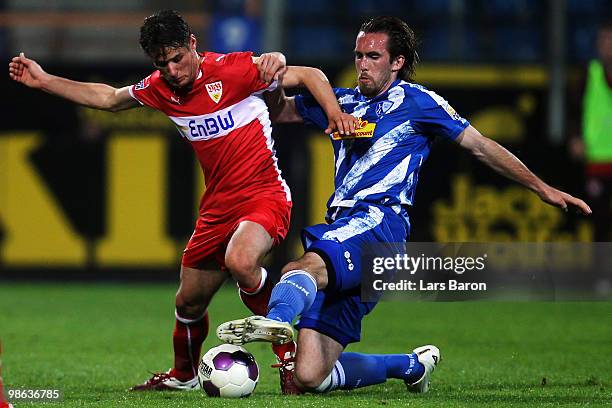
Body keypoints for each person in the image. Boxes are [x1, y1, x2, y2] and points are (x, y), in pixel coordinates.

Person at [217, 16, 592, 395]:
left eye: (374, 56)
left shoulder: (419, 102)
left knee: (302, 267)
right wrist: (271, 79)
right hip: (346, 227)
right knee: (309, 376)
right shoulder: (341, 102)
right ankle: (411, 365)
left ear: (397, 62)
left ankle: (275, 318)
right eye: (359, 55)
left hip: (380, 224)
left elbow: (480, 146)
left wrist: (542, 187)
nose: (363, 63)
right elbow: (280, 112)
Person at [8, 10, 356, 393]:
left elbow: (310, 76)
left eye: (177, 58)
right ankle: (184, 376)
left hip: (264, 194)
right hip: (217, 209)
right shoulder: (159, 87)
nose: (172, 70)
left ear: (193, 44)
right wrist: (43, 81)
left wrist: (333, 112)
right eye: (162, 63)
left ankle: (287, 355)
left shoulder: (235, 69)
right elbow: (107, 97)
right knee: (189, 303)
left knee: (241, 260)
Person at [568, 20, 612, 242]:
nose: (608, 46)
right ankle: (601, 276)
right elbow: (574, 110)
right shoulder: (589, 74)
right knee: (599, 221)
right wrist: (575, 137)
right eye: (603, 40)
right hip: (597, 160)